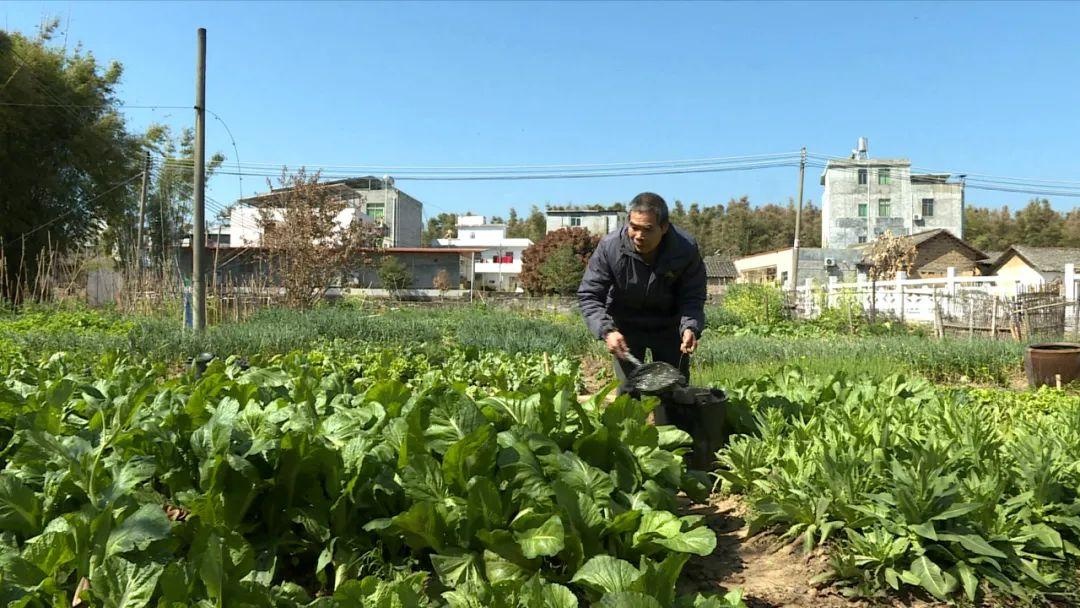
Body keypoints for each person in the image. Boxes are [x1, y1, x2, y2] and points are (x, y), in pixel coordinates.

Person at [577, 192, 707, 406]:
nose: (638, 235)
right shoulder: (611, 247)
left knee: (673, 390)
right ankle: (630, 437)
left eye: (647, 229)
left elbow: (693, 295)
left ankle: (676, 435)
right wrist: (607, 330)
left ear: (664, 228)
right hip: (626, 327)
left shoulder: (685, 249)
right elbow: (590, 294)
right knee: (629, 391)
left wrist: (690, 327)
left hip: (669, 326)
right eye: (634, 227)